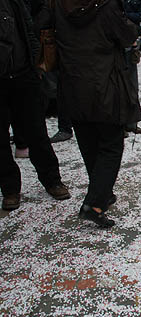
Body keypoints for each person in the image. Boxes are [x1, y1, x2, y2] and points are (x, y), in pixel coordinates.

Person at [48, 0, 141, 227]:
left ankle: (103, 192)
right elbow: (127, 35)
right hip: (104, 84)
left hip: (72, 84)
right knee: (110, 145)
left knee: (89, 143)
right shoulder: (106, 6)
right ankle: (96, 203)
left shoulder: (58, 5)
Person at [0, 0, 70, 211]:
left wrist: (35, 67)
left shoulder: (14, 3)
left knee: (36, 132)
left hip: (24, 75)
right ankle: (10, 188)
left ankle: (52, 180)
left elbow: (29, 30)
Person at [124, 0, 141, 136]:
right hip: (118, 47)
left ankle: (132, 123)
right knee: (120, 86)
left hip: (131, 43)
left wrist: (136, 29)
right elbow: (121, 16)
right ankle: (120, 124)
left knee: (132, 86)